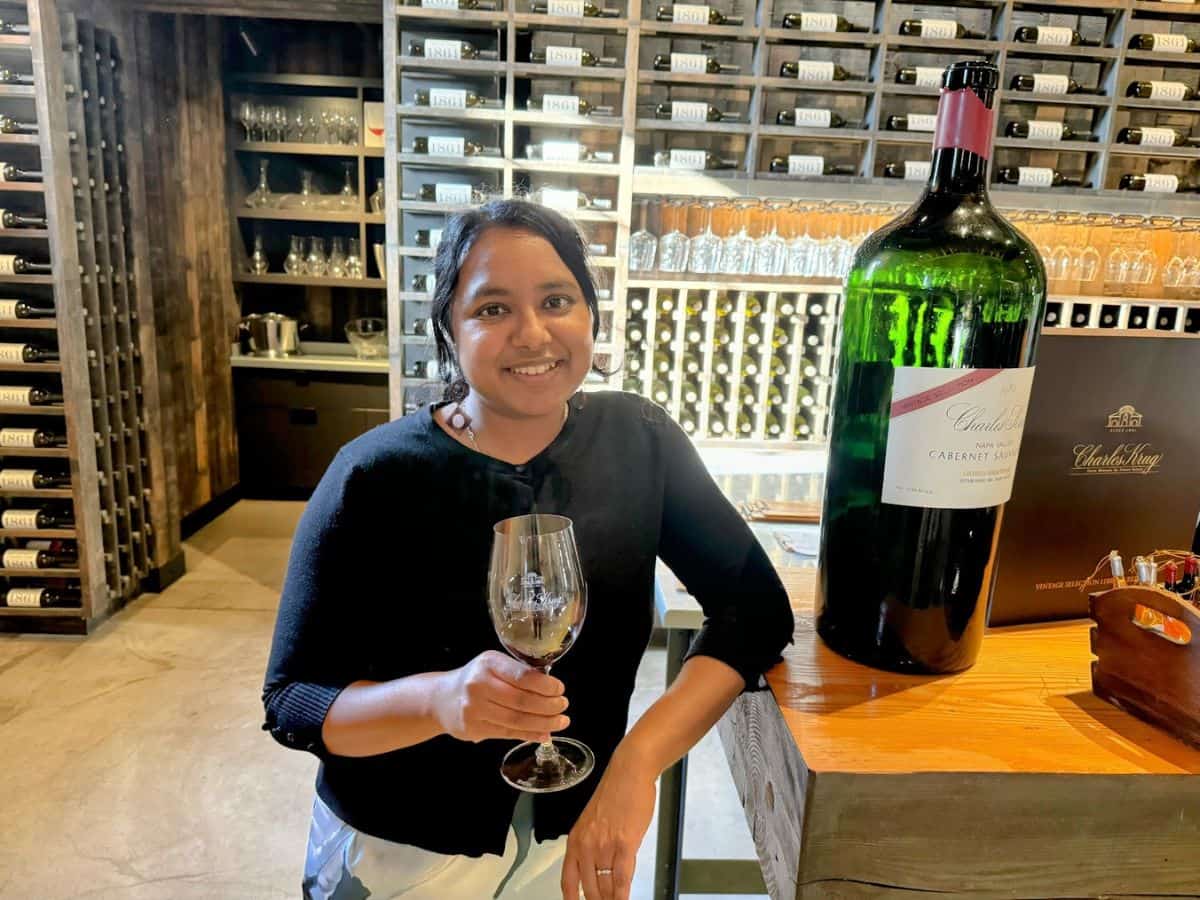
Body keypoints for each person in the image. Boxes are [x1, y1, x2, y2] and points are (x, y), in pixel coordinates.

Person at [262, 199, 794, 900]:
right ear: (449, 330)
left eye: (556, 300)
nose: (533, 333)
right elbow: (294, 700)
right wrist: (438, 701)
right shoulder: (374, 474)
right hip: (398, 844)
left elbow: (754, 611)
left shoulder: (638, 441)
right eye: (493, 309)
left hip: (572, 834)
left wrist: (634, 767)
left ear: (591, 314)